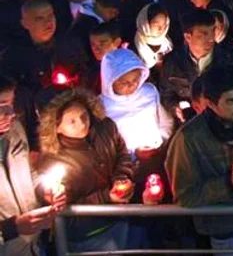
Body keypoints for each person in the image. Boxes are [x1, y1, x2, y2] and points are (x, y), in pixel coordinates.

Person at [166, 65, 233, 256]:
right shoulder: (189, 138)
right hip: (225, 231)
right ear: (211, 103)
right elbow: (184, 196)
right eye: (231, 101)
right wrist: (229, 184)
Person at [38, 88, 134, 253]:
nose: (82, 124)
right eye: (72, 121)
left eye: (84, 116)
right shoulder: (53, 160)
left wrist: (122, 178)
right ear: (57, 127)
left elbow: (121, 153)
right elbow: (65, 206)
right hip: (87, 233)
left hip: (119, 217)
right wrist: (106, 197)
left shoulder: (105, 128)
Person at [0, 74, 59, 256]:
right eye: (1, 107)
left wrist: (44, 190)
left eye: (11, 104)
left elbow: (28, 173)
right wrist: (11, 228)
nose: (10, 114)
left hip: (31, 248)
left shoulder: (15, 130)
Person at [160, 9, 233, 121]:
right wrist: (177, 108)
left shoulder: (229, 57)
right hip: (191, 121)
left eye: (213, 31)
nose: (210, 39)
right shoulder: (173, 62)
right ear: (188, 37)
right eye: (203, 34)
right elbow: (166, 94)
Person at [100, 49, 173, 159]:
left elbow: (165, 122)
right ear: (109, 81)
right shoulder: (101, 106)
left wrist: (163, 143)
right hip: (127, 163)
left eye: (136, 79)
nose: (131, 85)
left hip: (158, 154)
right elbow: (105, 144)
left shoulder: (149, 92)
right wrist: (133, 154)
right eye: (124, 82)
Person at [134, 3, 173, 70]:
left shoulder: (168, 44)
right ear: (145, 23)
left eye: (164, 24)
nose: (161, 29)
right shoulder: (133, 47)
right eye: (156, 24)